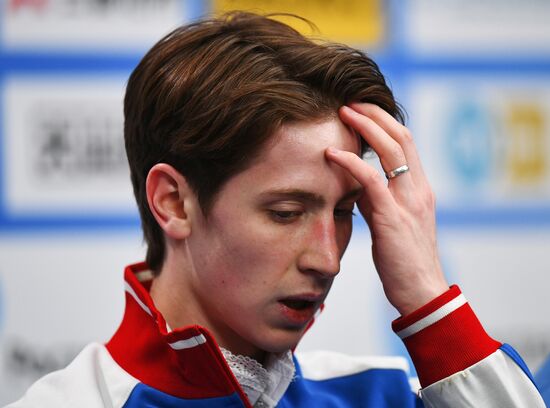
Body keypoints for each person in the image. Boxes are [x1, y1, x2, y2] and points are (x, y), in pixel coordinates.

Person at [8, 12, 544, 407]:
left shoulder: (392, 396)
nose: (328, 260)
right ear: (173, 202)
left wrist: (428, 299)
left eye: (344, 211)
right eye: (287, 212)